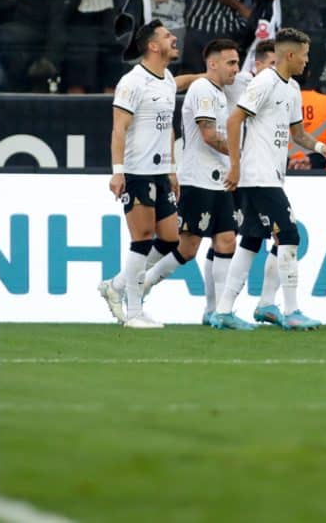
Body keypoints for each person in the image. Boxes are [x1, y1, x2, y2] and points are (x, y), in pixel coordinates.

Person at [213, 28, 326, 331]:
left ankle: (227, 309)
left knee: (252, 240)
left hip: (272, 175)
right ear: (291, 55)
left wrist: (321, 147)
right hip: (257, 175)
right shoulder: (264, 82)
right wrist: (236, 165)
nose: (308, 62)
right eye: (305, 55)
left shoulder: (292, 88)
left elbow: (297, 135)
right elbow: (234, 120)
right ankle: (291, 310)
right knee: (290, 236)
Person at [140, 39, 241, 324]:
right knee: (187, 248)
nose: (235, 69)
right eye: (230, 63)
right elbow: (208, 135)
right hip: (198, 180)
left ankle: (219, 312)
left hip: (219, 179)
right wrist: (239, 158)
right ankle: (142, 283)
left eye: (237, 62)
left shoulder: (219, 92)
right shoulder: (203, 90)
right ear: (212, 63)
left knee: (226, 240)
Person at [98, 21, 181, 328]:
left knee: (171, 238)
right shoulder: (132, 82)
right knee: (142, 239)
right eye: (166, 36)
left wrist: (172, 168)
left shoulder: (168, 79)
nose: (173, 38)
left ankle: (116, 286)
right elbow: (119, 128)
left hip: (160, 172)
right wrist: (117, 172)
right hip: (136, 172)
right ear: (153, 46)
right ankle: (134, 311)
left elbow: (168, 127)